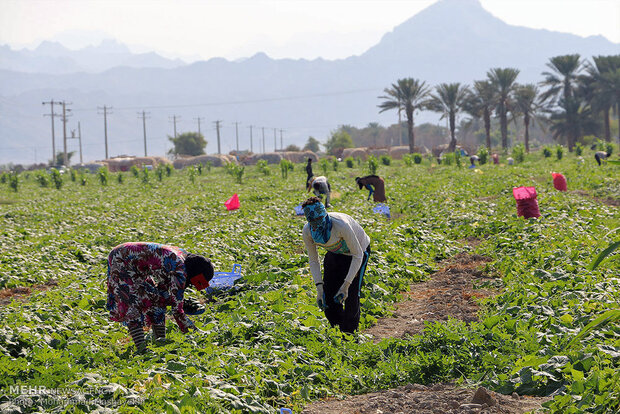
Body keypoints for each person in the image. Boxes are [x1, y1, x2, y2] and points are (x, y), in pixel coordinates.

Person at [106, 242, 214, 353]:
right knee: (132, 301)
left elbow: (163, 292)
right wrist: (194, 332)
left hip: (135, 263)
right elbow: (177, 311)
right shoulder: (179, 269)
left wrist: (171, 300)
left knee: (157, 301)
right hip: (122, 258)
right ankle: (142, 349)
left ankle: (160, 342)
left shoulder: (184, 258)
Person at [301, 197, 371, 333]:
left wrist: (346, 285)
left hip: (357, 252)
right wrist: (319, 288)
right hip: (335, 252)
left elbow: (358, 255)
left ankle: (350, 334)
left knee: (351, 294)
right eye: (312, 221)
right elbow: (314, 260)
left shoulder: (341, 225)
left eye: (319, 219)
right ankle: (337, 329)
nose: (316, 224)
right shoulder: (308, 231)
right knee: (328, 294)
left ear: (325, 215)